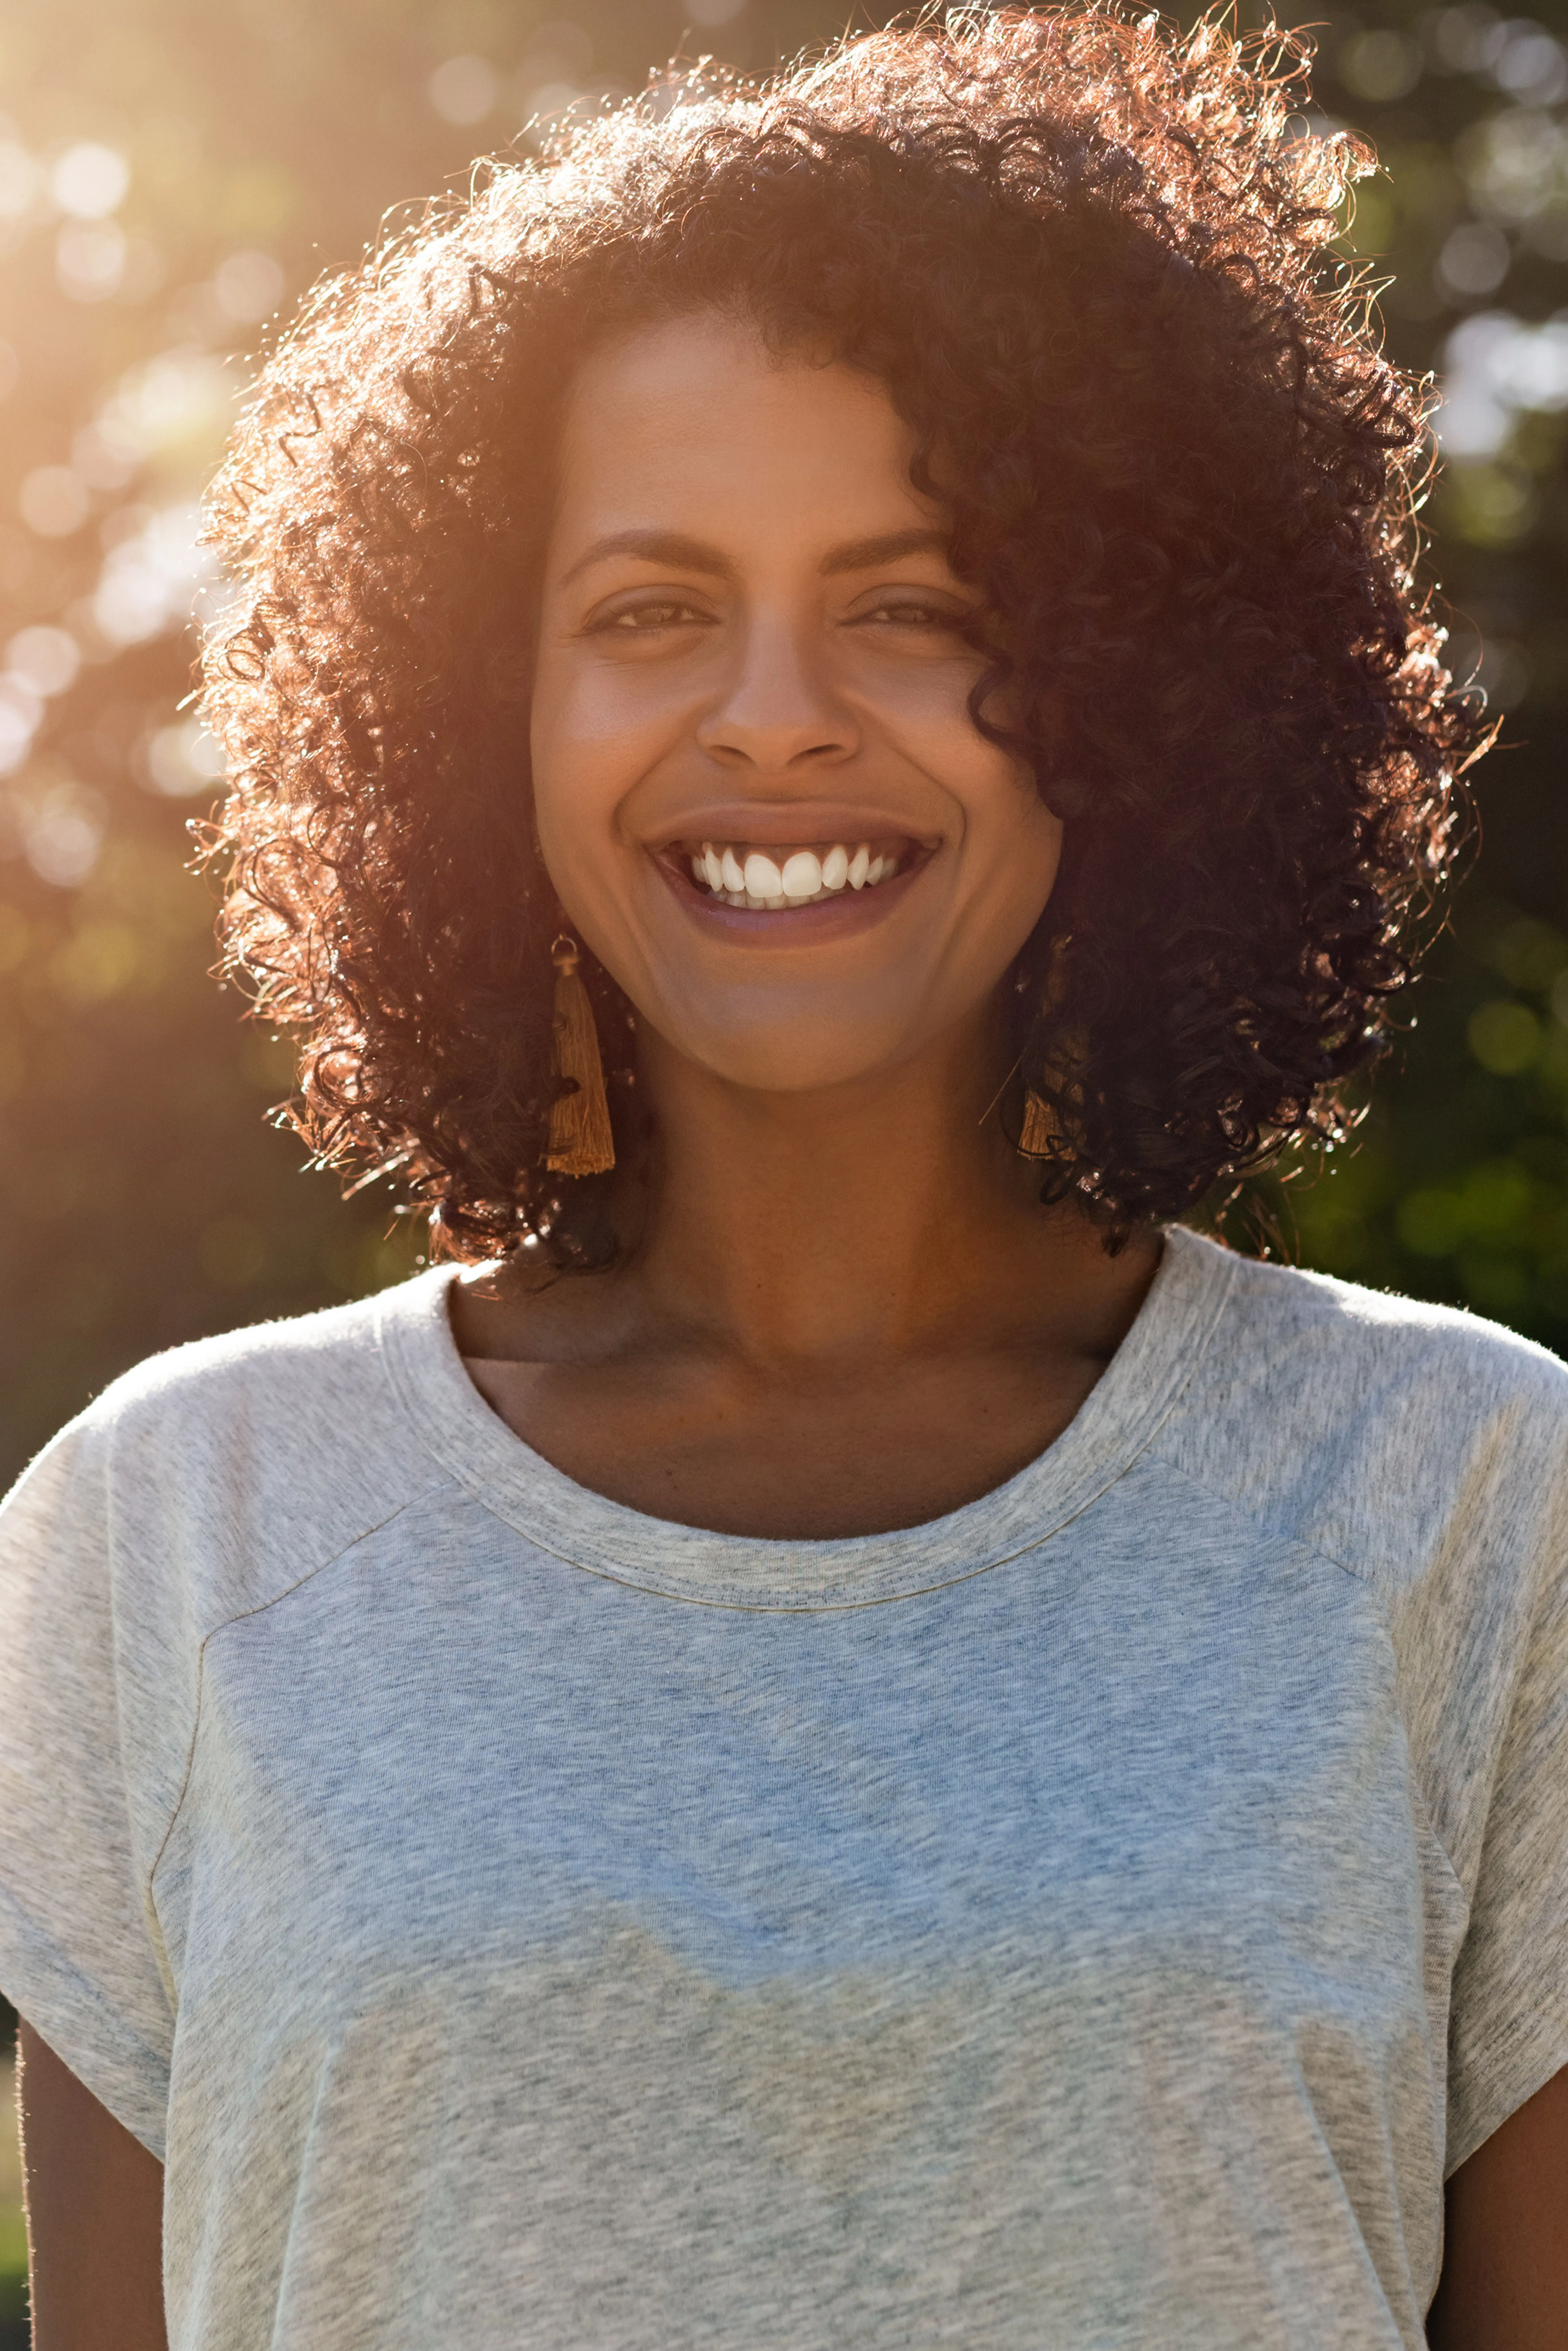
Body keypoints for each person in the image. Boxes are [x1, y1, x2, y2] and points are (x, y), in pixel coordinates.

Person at [2, 8, 1564, 2346]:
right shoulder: (170, 1528)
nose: (768, 713)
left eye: (914, 606)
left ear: (1146, 684)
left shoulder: (1475, 1499)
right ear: (474, 715)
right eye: (646, 610)